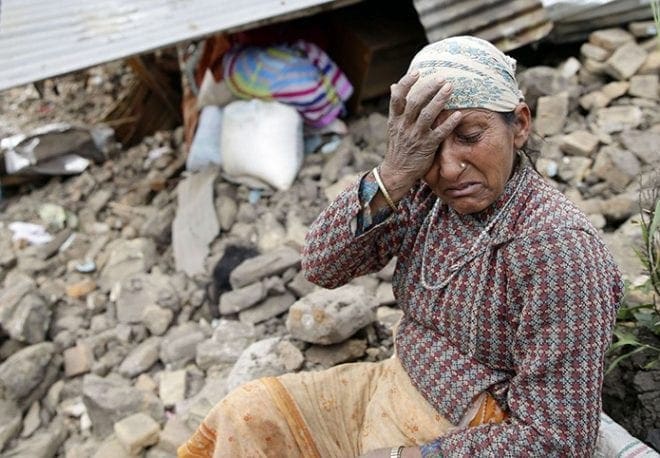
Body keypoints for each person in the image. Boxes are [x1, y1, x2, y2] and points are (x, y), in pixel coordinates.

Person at [178, 36, 623, 457]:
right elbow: (321, 265)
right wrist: (393, 173)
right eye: (429, 145)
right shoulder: (423, 196)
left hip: (466, 434)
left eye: (470, 136)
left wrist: (403, 454)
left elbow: (557, 442)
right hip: (387, 387)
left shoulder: (559, 249)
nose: (449, 168)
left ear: (519, 125)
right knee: (248, 413)